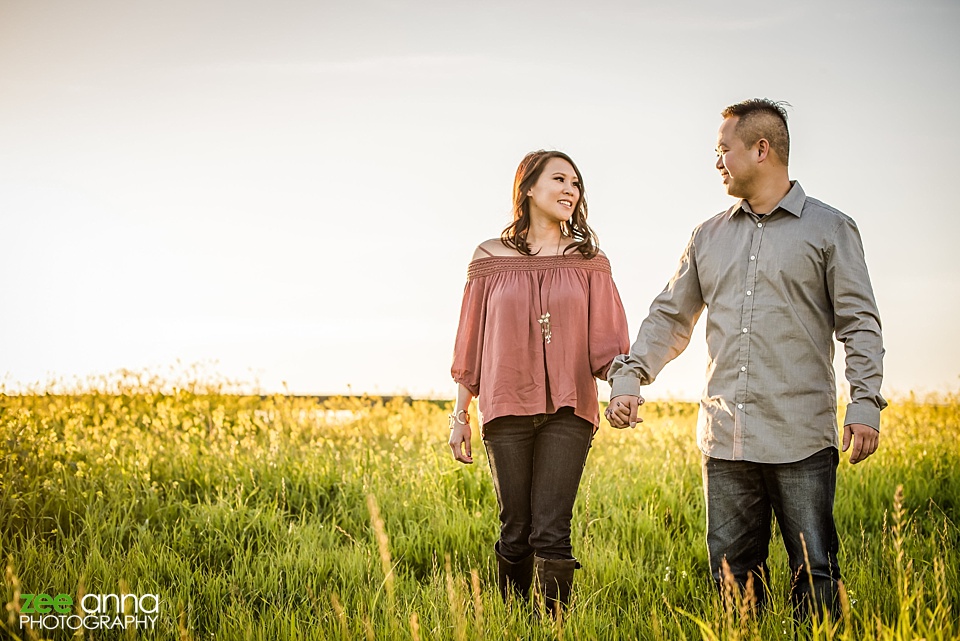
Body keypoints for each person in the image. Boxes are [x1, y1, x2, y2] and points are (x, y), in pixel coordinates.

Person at [606, 99, 885, 621]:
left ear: (761, 149)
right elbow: (670, 316)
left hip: (801, 437)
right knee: (732, 578)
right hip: (725, 439)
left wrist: (865, 402)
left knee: (815, 573)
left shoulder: (831, 229)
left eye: (723, 149)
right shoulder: (707, 236)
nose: (717, 162)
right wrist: (631, 375)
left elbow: (859, 323)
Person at [449, 150, 630, 616]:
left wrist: (623, 390)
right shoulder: (489, 258)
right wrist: (459, 415)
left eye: (576, 183)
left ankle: (553, 626)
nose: (571, 190)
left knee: (552, 530)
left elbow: (608, 345)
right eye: (559, 179)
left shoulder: (590, 261)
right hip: (505, 407)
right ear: (528, 188)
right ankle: (513, 623)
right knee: (515, 529)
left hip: (569, 410)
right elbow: (470, 343)